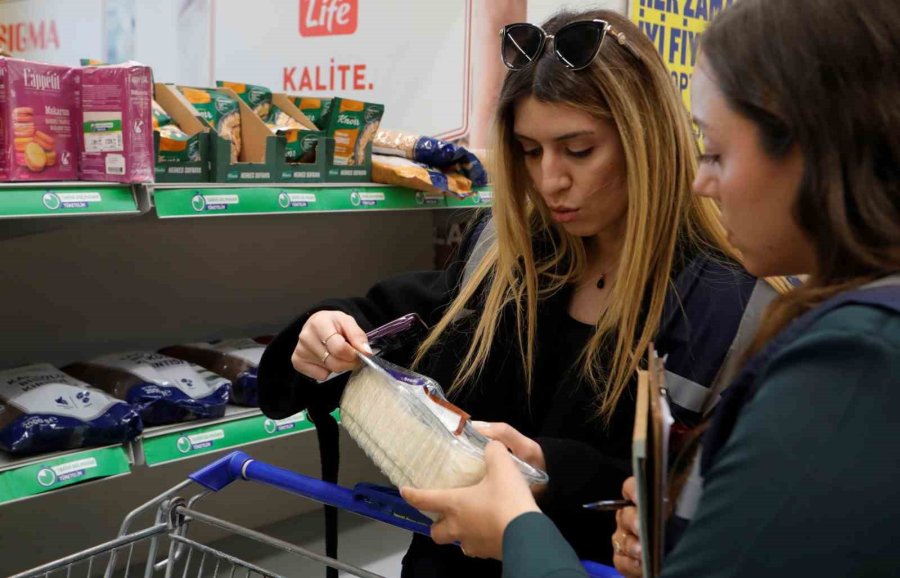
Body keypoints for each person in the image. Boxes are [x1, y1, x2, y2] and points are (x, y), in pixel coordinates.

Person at [258, 8, 778, 578]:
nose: (550, 179)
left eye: (578, 150)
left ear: (646, 140)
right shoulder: (503, 253)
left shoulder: (724, 309)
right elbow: (390, 319)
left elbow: (711, 506)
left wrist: (553, 470)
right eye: (530, 151)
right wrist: (323, 335)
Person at [402, 1, 900, 576]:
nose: (701, 180)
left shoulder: (852, 360)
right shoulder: (840, 331)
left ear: (815, 149)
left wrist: (518, 532)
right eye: (530, 152)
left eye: (715, 149)